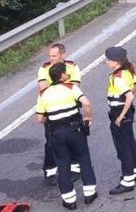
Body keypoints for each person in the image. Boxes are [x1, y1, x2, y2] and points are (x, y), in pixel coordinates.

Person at [36, 62, 97, 210]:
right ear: (62, 75)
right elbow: (86, 103)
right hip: (75, 129)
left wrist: (51, 118)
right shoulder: (71, 87)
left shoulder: (43, 94)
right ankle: (89, 193)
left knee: (63, 164)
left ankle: (69, 200)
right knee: (84, 159)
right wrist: (88, 118)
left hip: (56, 132)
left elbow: (40, 119)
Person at [37, 43, 82, 185]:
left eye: (54, 56)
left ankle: (75, 167)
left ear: (63, 55)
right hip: (52, 109)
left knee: (74, 139)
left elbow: (75, 86)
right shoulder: (44, 68)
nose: (51, 59)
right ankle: (50, 170)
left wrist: (55, 86)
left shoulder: (72, 66)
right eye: (50, 56)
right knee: (50, 142)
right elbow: (42, 87)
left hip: (70, 108)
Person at [104, 47, 136, 195]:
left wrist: (121, 115)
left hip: (119, 113)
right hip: (128, 113)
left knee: (123, 147)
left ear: (116, 62)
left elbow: (130, 96)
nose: (107, 62)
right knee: (131, 142)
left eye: (108, 60)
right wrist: (129, 106)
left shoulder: (117, 77)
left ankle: (128, 180)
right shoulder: (128, 72)